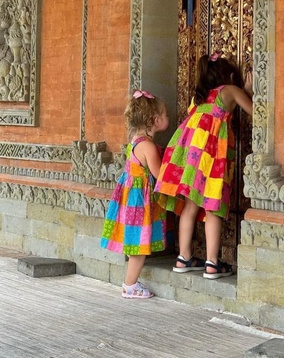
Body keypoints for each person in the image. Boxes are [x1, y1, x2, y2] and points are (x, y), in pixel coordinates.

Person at [155, 53, 253, 279]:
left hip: (191, 158)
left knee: (190, 207)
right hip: (213, 158)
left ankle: (184, 257)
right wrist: (247, 91)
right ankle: (212, 262)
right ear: (229, 76)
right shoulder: (230, 90)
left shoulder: (198, 99)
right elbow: (255, 111)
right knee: (212, 207)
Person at [100, 89, 169, 299]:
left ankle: (131, 283)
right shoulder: (148, 146)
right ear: (155, 120)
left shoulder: (135, 140)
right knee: (138, 246)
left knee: (134, 242)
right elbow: (159, 174)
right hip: (138, 201)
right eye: (165, 114)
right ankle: (130, 286)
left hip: (130, 198)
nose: (167, 117)